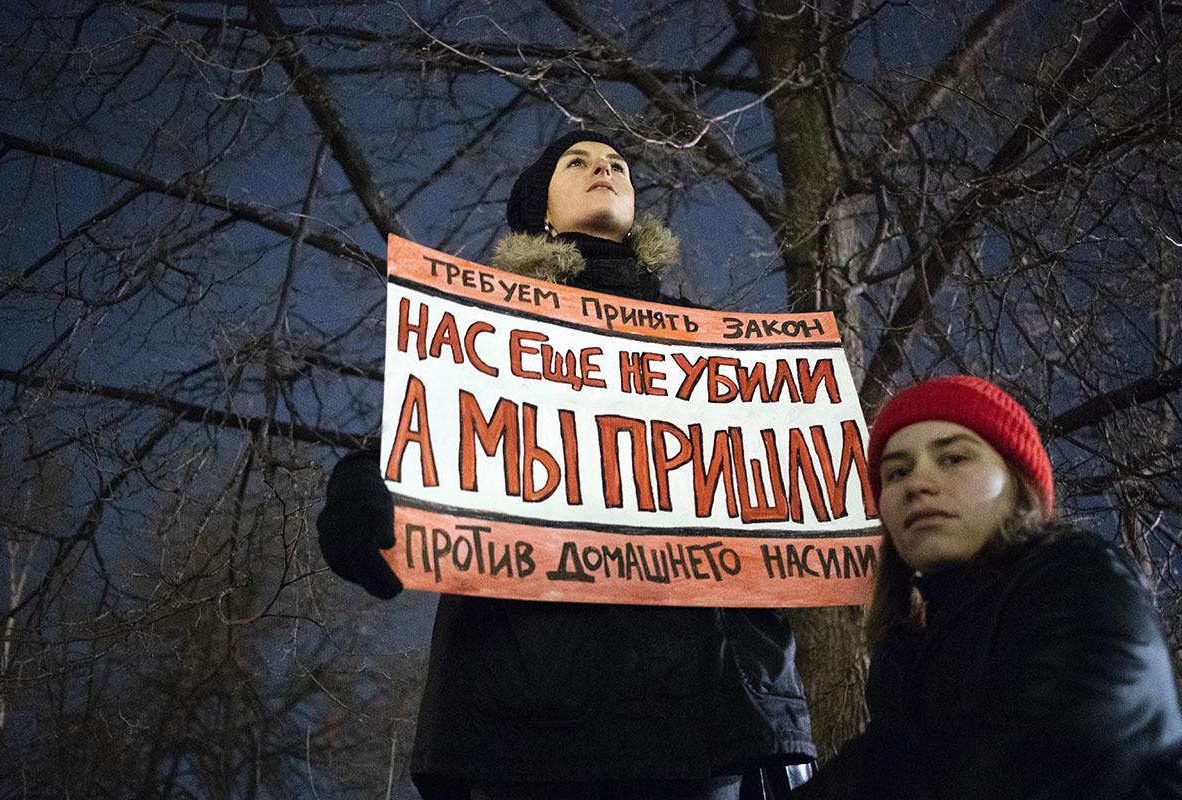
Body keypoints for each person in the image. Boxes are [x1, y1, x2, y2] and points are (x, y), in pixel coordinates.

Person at [318, 130, 817, 800]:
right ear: (542, 212)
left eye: (616, 164)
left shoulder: (719, 352)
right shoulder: (488, 338)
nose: (603, 169)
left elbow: (794, 480)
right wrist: (360, 486)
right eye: (576, 162)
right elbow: (426, 433)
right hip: (535, 709)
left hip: (712, 715)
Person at [789, 375, 1182, 800]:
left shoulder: (1081, 579)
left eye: (954, 459)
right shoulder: (907, 651)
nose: (916, 484)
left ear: (1018, 485)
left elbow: (1032, 761)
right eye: (897, 472)